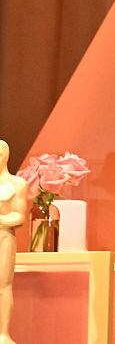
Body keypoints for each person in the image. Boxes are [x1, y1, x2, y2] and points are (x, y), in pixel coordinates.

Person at [0, 141, 28, 344]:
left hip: (3, 237)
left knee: (3, 285)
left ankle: (3, 332)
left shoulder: (17, 184)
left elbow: (19, 216)